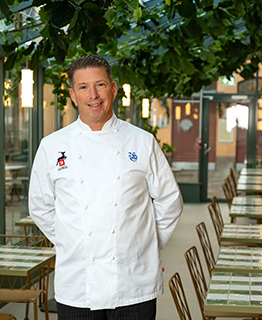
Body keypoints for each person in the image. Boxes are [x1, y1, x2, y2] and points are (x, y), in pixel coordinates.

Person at [28, 54, 183, 319]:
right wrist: (71, 241)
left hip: (134, 281)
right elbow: (40, 207)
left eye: (100, 85)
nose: (93, 95)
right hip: (77, 282)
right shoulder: (52, 146)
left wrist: (143, 244)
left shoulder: (142, 142)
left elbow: (170, 201)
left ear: (112, 89)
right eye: (83, 87)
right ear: (73, 96)